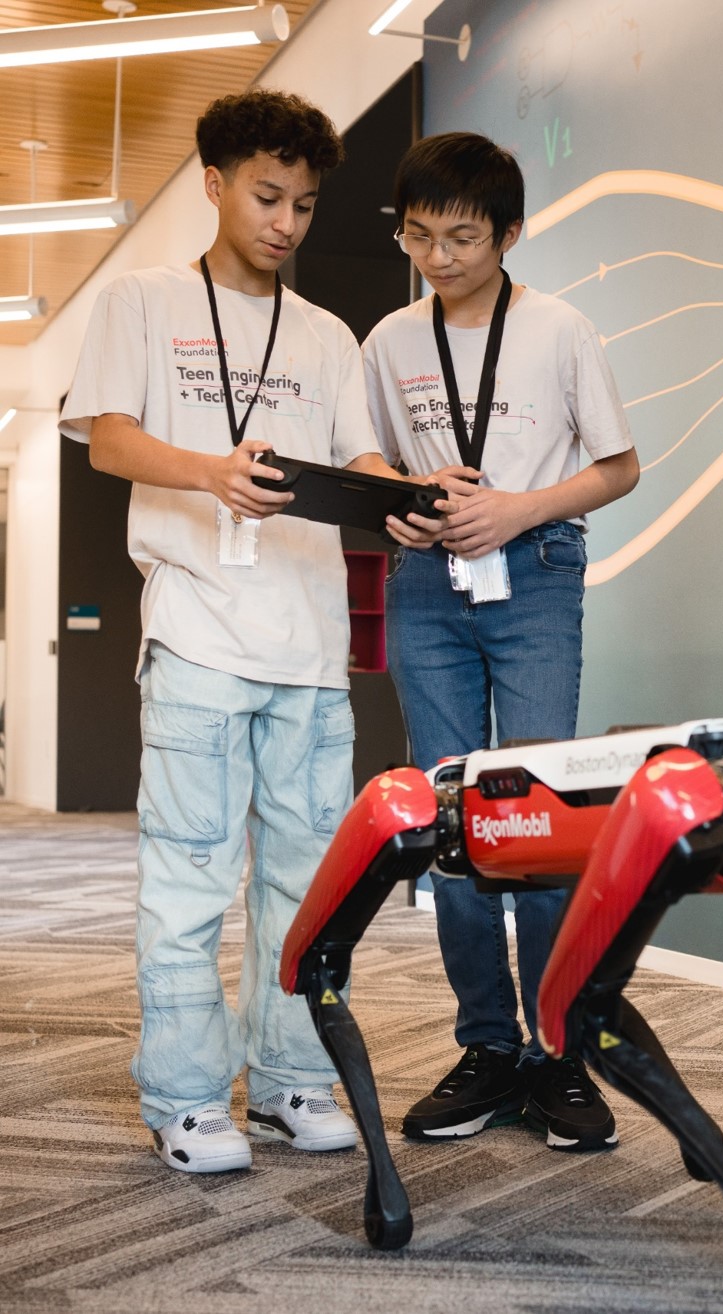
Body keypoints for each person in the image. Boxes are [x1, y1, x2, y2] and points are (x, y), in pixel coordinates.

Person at [60, 89, 413, 1174]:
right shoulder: (141, 300)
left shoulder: (326, 334)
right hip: (199, 635)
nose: (287, 223)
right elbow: (109, 440)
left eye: (305, 205)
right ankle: (183, 1097)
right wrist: (211, 471)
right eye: (267, 197)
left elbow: (358, 459)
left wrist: (404, 489)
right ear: (213, 184)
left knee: (306, 882)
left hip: (309, 650)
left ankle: (292, 1080)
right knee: (189, 877)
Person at [362, 132, 640, 1152]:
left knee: (535, 821)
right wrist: (396, 505)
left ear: (509, 235)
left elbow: (617, 466)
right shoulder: (389, 340)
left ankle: (559, 1052)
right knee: (450, 820)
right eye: (418, 235)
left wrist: (517, 512)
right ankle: (487, 1046)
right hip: (428, 583)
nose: (437, 257)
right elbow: (373, 460)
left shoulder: (559, 328)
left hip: (535, 575)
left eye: (462, 238)